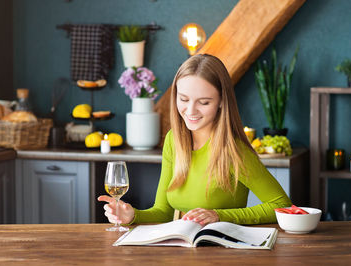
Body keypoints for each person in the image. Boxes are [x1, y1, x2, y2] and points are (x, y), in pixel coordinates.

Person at [98, 54, 292, 226]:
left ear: (221, 101)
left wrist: (219, 216)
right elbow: (163, 212)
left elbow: (281, 205)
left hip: (223, 249)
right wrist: (132, 216)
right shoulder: (174, 141)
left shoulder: (234, 150)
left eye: (204, 102)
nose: (190, 111)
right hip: (181, 248)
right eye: (183, 99)